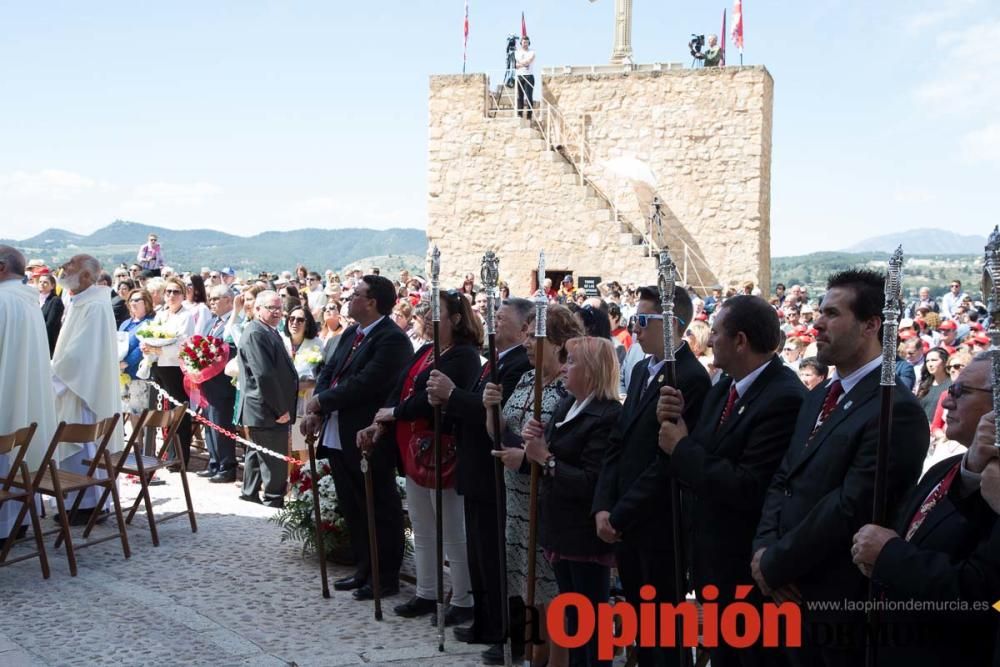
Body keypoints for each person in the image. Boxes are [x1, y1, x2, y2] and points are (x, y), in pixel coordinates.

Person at [751, 269, 930, 666]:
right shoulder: (820, 397)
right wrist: (763, 550)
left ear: (871, 325)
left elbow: (851, 505)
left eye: (832, 313)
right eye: (818, 311)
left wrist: (777, 563)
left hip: (832, 607)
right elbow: (785, 477)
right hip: (783, 591)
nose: (817, 322)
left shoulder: (894, 410)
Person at [656, 295, 807, 667]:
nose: (708, 341)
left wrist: (682, 449)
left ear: (740, 341)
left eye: (717, 333)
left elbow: (749, 486)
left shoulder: (783, 398)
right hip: (712, 561)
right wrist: (674, 424)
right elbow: (702, 447)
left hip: (744, 567)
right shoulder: (725, 385)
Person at [850, 354, 999, 666]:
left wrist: (888, 556)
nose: (945, 404)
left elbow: (982, 597)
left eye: (961, 392)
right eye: (949, 392)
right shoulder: (944, 468)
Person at [592, 285, 711, 667]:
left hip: (659, 523)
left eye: (643, 321)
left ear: (673, 325)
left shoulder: (689, 377)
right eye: (633, 320)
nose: (635, 330)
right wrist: (603, 506)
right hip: (627, 520)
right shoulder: (643, 368)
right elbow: (618, 441)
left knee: (665, 629)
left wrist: (621, 512)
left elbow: (669, 460)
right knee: (643, 625)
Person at [358, 290, 483, 626]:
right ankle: (427, 591)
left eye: (436, 311)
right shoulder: (427, 350)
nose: (427, 316)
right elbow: (402, 388)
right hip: (412, 449)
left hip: (442, 452)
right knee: (424, 529)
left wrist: (394, 412)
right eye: (426, 310)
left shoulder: (463, 356)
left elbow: (430, 400)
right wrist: (383, 416)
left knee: (451, 529)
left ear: (455, 319)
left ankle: (463, 598)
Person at [425, 297, 533, 657]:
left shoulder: (520, 364)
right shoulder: (496, 362)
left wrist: (452, 395)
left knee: (498, 555)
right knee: (480, 553)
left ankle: (508, 632)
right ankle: (486, 622)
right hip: (475, 467)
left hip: (496, 471)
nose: (493, 323)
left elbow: (496, 413)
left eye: (500, 318)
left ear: (523, 327)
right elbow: (477, 402)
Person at [301, 275, 413, 601]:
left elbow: (367, 383)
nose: (350, 298)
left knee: (378, 507)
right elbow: (328, 371)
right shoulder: (352, 332)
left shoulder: (392, 340)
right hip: (339, 432)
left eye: (356, 294)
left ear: (373, 301)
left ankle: (384, 576)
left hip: (367, 435)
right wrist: (317, 408)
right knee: (353, 506)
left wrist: (323, 401)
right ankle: (364, 568)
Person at [487, 304, 582, 667]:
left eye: (533, 335)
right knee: (529, 588)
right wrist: (489, 410)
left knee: (551, 588)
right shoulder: (528, 380)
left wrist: (525, 458)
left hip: (543, 498)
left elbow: (562, 445)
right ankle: (534, 652)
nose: (525, 342)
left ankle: (557, 659)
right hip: (516, 497)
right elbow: (501, 430)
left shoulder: (567, 387)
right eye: (524, 334)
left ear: (557, 343)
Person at [521, 336, 623, 667]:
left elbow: (591, 481)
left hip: (584, 534)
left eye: (574, 362)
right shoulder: (569, 405)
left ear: (592, 371)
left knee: (591, 622)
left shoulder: (606, 415)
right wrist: (537, 438)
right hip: (561, 528)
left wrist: (545, 457)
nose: (565, 367)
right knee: (574, 621)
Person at [50, 254, 124, 524]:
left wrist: (51, 377)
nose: (63, 269)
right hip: (78, 385)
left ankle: (85, 505)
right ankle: (82, 502)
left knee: (81, 445)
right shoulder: (82, 300)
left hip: (81, 390)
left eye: (70, 266)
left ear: (85, 276)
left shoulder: (94, 306)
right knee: (82, 446)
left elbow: (79, 356)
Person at [0, 246, 58, 546]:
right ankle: (19, 521)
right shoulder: (29, 301)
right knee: (18, 454)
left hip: (4, 396)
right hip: (24, 394)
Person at [235, 291, 298, 508]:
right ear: (258, 309)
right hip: (266, 408)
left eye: (279, 308)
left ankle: (250, 493)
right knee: (274, 457)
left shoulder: (267, 330)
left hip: (264, 408)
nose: (277, 312)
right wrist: (281, 409)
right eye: (271, 308)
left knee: (258, 450)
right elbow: (264, 374)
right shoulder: (256, 333)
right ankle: (273, 499)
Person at [144, 276, 195, 465]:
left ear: (183, 295)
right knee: (163, 411)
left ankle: (179, 457)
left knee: (178, 412)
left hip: (175, 368)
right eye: (168, 292)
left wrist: (160, 349)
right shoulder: (161, 314)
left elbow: (184, 343)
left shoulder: (186, 316)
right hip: (159, 367)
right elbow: (151, 334)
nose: (171, 295)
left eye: (176, 292)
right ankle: (165, 452)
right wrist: (148, 347)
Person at [198, 286, 238, 483]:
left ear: (229, 300)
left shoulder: (234, 321)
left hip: (223, 382)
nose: (212, 302)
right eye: (210, 298)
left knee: (221, 424)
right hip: (207, 381)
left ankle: (227, 466)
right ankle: (214, 462)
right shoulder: (211, 322)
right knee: (209, 423)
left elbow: (231, 348)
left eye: (216, 298)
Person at [282, 303, 323, 460]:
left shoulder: (317, 344)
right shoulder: (281, 340)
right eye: (291, 319)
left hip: (305, 402)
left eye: (300, 320)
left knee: (304, 448)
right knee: (284, 448)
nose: (294, 323)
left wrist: (306, 384)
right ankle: (287, 483)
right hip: (283, 402)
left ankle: (305, 481)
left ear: (307, 324)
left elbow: (321, 376)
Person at [915, 346, 951, 423]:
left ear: (945, 362)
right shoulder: (924, 385)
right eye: (927, 361)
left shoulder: (951, 385)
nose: (930, 364)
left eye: (934, 360)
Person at [38, 272, 64, 356]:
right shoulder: (35, 299)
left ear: (52, 286)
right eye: (40, 282)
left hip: (47, 341)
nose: (42, 284)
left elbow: (50, 325)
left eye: (45, 282)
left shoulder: (55, 301)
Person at [515, 35, 535, 120]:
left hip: (529, 76)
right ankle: (520, 114)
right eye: (524, 42)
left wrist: (521, 64)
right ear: (521, 43)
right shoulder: (517, 52)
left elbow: (530, 60)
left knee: (529, 96)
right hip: (520, 76)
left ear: (529, 43)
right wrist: (524, 64)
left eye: (527, 42)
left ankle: (529, 115)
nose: (525, 44)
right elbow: (515, 65)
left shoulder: (532, 52)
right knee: (520, 97)